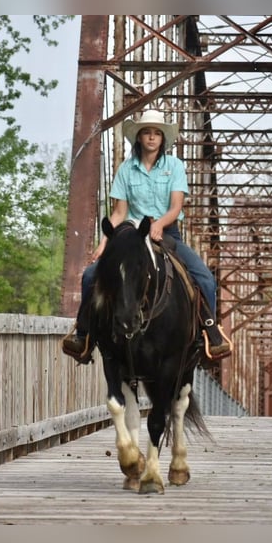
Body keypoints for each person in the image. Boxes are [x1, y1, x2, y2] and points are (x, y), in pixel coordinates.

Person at [62, 109, 232, 364]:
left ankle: (210, 333)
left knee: (205, 279)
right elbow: (119, 212)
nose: (152, 138)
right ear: (139, 138)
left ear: (163, 139)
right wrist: (104, 242)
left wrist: (160, 224)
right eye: (146, 133)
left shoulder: (174, 166)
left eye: (157, 133)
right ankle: (83, 334)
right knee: (89, 276)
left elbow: (176, 206)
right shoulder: (126, 170)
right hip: (131, 236)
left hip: (167, 233)